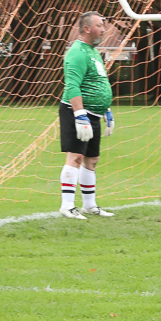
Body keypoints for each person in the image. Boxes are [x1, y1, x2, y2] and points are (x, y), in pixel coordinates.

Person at [59, 11, 116, 219]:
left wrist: (105, 109)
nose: (104, 29)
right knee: (75, 157)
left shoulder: (93, 52)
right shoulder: (77, 52)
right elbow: (72, 85)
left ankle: (89, 205)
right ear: (87, 28)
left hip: (93, 113)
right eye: (100, 25)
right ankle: (67, 206)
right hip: (76, 112)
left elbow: (97, 83)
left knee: (92, 160)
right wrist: (79, 115)